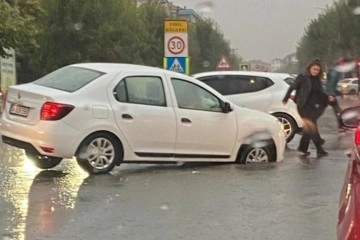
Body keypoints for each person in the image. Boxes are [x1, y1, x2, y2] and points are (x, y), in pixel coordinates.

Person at [283, 58, 329, 158]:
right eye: (314, 69)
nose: (315, 71)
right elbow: (292, 87)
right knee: (311, 125)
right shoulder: (302, 77)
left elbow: (320, 93)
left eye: (317, 70)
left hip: (313, 107)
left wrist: (327, 98)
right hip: (303, 106)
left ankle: (303, 149)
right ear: (309, 68)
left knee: (308, 128)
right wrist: (286, 98)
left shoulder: (317, 80)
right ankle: (319, 144)